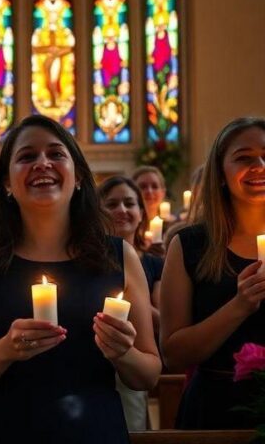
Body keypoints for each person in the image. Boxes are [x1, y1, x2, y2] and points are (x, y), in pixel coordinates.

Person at [0, 114, 161, 443]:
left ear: (77, 177)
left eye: (56, 154)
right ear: (6, 183)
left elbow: (148, 374)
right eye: (27, 156)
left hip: (93, 431)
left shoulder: (118, 257)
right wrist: (5, 350)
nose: (42, 163)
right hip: (3, 432)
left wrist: (122, 352)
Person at [160, 116, 265, 429]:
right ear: (221, 173)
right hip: (215, 410)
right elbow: (174, 353)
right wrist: (240, 305)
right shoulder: (190, 245)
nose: (259, 164)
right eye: (243, 158)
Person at [99, 175, 164, 430]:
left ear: (140, 212)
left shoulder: (154, 262)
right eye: (112, 204)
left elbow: (162, 321)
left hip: (130, 360)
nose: (122, 210)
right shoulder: (88, 261)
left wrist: (131, 300)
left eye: (129, 203)